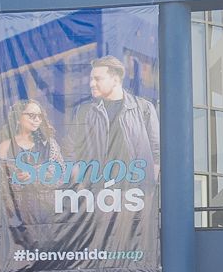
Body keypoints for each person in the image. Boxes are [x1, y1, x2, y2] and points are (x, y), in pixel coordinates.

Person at [65, 55, 160, 258]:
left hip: (134, 195)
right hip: (98, 195)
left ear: (115, 79)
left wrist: (149, 190)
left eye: (97, 78)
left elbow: (156, 153)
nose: (91, 83)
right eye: (91, 79)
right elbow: (71, 152)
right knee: (100, 253)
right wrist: (81, 187)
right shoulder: (85, 112)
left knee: (135, 251)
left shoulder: (143, 109)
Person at [0, 100, 63, 242]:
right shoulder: (5, 146)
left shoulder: (50, 145)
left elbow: (60, 176)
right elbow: (0, 185)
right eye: (32, 115)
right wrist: (16, 179)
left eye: (40, 116)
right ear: (18, 117)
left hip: (46, 215)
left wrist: (34, 174)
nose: (37, 119)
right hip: (15, 217)